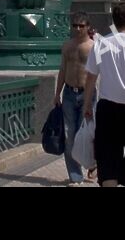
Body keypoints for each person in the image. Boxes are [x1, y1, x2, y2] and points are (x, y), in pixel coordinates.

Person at [83, 3, 125, 187]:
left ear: (113, 21)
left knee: (107, 157)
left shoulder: (101, 43)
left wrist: (87, 104)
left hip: (107, 108)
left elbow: (90, 77)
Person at [55, 11, 95, 185]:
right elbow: (63, 70)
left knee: (86, 134)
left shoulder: (94, 46)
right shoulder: (67, 46)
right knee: (69, 134)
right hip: (70, 93)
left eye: (81, 26)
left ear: (88, 27)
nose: (78, 29)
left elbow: (97, 73)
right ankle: (75, 176)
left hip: (88, 93)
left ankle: (92, 164)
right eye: (75, 26)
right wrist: (57, 93)